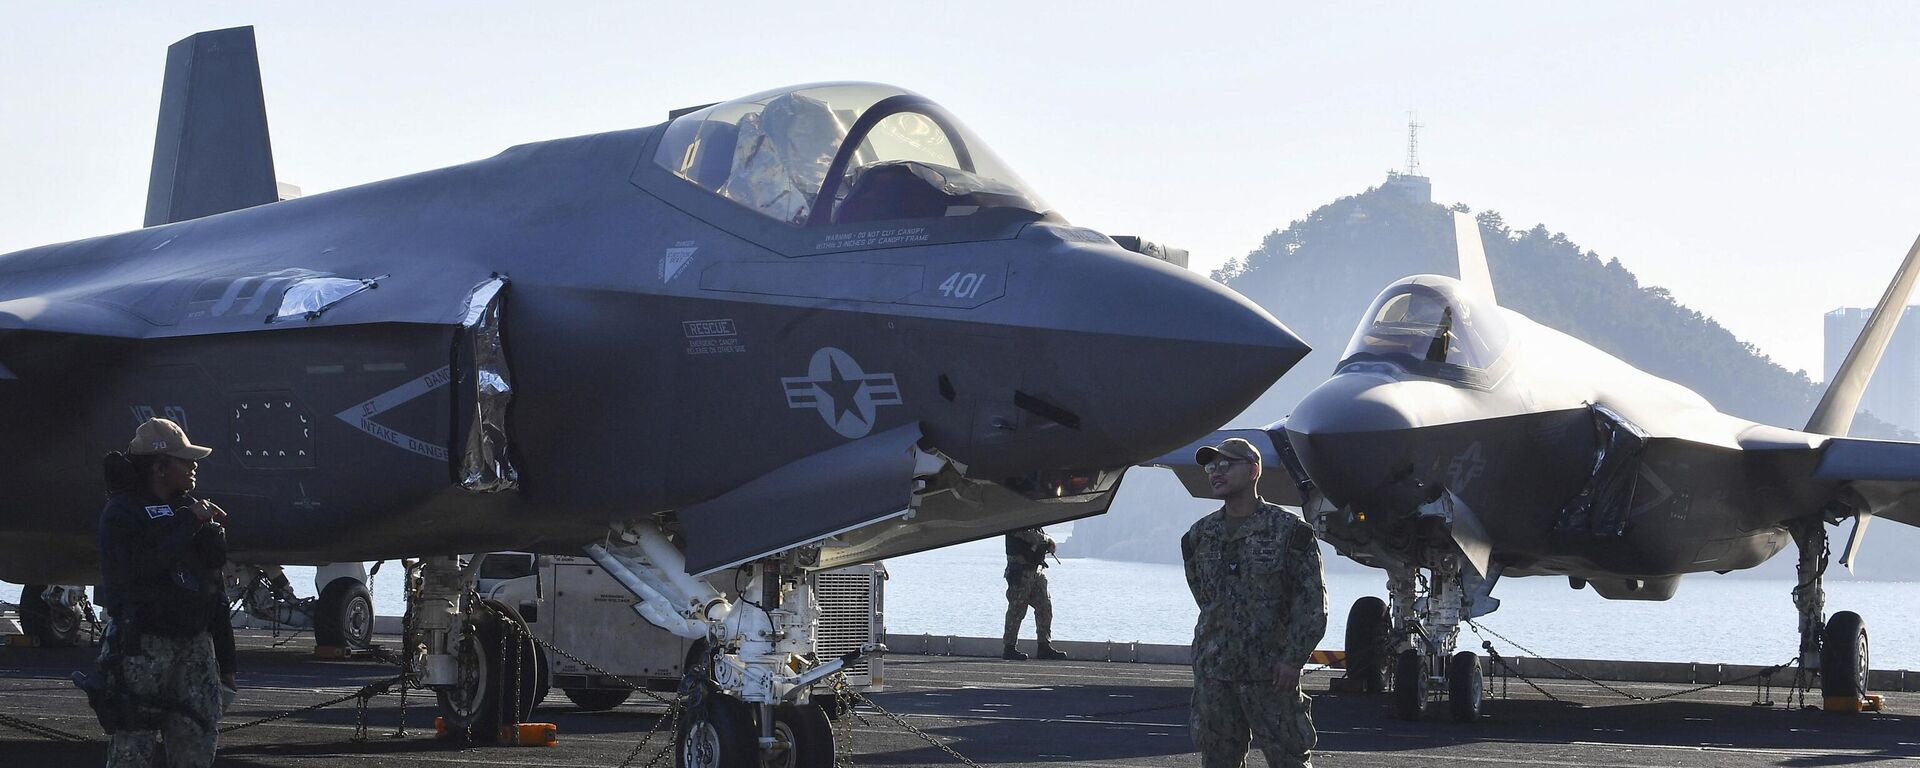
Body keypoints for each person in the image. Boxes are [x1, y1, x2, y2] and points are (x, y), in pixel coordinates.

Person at [1181, 438, 1327, 768]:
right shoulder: (1199, 535)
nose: (1216, 472)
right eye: (1211, 466)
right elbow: (1205, 597)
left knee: (1289, 759)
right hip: (1215, 674)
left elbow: (1312, 605)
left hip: (1272, 674)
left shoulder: (1289, 531)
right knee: (1218, 760)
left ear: (1254, 470)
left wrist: (1292, 659)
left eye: (1226, 464)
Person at [94, 418, 228, 767]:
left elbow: (213, 587)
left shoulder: (188, 508)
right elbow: (140, 568)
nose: (194, 466)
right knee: (133, 746)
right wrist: (188, 523)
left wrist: (227, 662)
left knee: (198, 736)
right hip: (142, 641)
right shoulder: (122, 513)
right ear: (159, 466)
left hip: (195, 641)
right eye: (184, 460)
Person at [1001, 526, 1067, 661]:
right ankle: (1009, 648)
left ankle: (1044, 646)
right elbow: (1025, 534)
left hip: (1035, 570)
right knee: (1017, 610)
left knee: (1044, 606)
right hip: (1020, 571)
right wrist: (1047, 540)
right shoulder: (1015, 518)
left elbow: (1038, 534)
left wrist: (1046, 541)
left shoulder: (1033, 520)